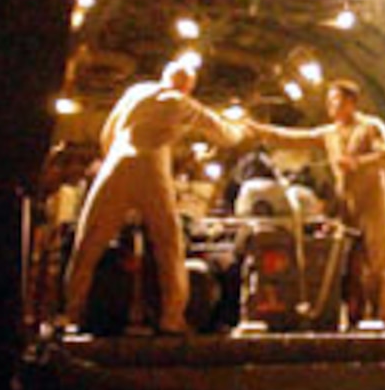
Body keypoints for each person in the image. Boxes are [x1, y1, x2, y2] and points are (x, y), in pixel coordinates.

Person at [62, 57, 250, 334]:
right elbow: (223, 133)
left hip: (115, 165)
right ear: (188, 87)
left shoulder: (135, 92)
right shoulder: (181, 102)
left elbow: (107, 133)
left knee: (88, 243)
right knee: (168, 245)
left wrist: (115, 163)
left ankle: (73, 314)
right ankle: (172, 317)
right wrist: (242, 129)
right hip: (151, 168)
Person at [251, 79, 385, 324]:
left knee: (378, 263)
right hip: (345, 203)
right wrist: (258, 130)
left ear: (351, 102)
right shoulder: (329, 134)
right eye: (329, 101)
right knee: (350, 263)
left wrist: (358, 163)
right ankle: (354, 318)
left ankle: (384, 319)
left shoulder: (371, 127)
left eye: (336, 100)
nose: (330, 106)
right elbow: (293, 138)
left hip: (372, 200)